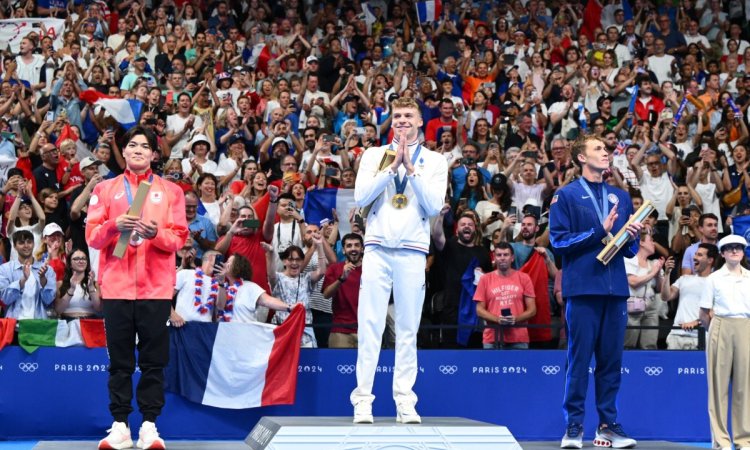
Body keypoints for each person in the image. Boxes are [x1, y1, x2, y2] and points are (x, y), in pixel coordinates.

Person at [86, 126, 189, 450]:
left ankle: (148, 426)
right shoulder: (105, 189)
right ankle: (119, 426)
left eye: (145, 146)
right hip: (116, 286)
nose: (139, 150)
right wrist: (113, 226)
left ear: (154, 154)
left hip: (155, 288)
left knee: (153, 360)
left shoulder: (171, 191)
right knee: (119, 361)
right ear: (125, 152)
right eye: (132, 145)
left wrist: (154, 233)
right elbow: (92, 236)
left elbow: (179, 238)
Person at [350, 97, 448, 424]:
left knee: (408, 329)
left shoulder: (434, 161)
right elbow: (362, 197)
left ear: (420, 121)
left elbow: (434, 206)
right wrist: (392, 167)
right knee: (370, 327)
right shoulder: (374, 155)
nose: (402, 120)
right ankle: (363, 401)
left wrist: (410, 169)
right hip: (377, 247)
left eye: (409, 115)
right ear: (391, 121)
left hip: (412, 250)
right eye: (397, 116)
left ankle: (405, 401)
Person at [550, 135, 643, 449]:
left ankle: (607, 426)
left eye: (607, 149)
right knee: (579, 360)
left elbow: (628, 252)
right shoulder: (565, 196)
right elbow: (558, 242)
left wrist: (631, 236)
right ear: (580, 157)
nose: (606, 153)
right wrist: (598, 231)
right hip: (583, 288)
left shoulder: (621, 197)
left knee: (611, 362)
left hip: (615, 288)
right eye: (599, 149)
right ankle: (574, 427)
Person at [700, 235, 750, 450]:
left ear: (743, 251)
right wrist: (713, 330)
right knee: (718, 387)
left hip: (745, 326)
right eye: (729, 248)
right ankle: (721, 441)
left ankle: (743, 439)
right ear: (722, 253)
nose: (734, 251)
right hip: (720, 324)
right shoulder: (714, 278)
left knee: (744, 388)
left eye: (738, 247)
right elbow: (703, 312)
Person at [474, 242, 536, 349]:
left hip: (518, 338)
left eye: (506, 255)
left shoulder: (524, 278)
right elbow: (479, 310)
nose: (502, 258)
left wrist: (515, 319)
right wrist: (497, 319)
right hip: (492, 338)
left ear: (512, 258)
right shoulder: (485, 279)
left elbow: (532, 310)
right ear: (494, 257)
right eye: (499, 255)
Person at [661, 243, 716, 350]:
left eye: (699, 255)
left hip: (700, 336)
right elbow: (665, 297)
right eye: (695, 254)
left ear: (710, 260)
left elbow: (717, 311)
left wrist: (696, 322)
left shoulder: (716, 282)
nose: (694, 257)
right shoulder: (684, 279)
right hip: (676, 335)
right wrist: (667, 273)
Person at [0, 230, 56, 319]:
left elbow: (49, 301)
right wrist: (22, 281)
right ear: (14, 246)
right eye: (21, 243)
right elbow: (5, 299)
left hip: (38, 324)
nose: (26, 246)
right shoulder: (4, 269)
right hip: (14, 325)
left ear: (34, 244)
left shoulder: (47, 270)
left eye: (29, 242)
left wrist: (43, 281)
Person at [322, 233, 364, 348]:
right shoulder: (334, 269)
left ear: (362, 249)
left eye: (356, 245)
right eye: (349, 246)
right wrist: (341, 279)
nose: (353, 249)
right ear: (344, 250)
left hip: (366, 330)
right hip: (340, 331)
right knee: (336, 365)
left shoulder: (371, 269)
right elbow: (326, 294)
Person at [171, 250, 222, 326]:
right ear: (211, 258)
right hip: (182, 325)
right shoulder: (186, 273)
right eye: (220, 259)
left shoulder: (219, 284)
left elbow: (220, 308)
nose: (222, 263)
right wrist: (172, 314)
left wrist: (222, 283)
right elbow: (166, 296)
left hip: (205, 329)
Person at [55, 249, 101, 320]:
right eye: (76, 259)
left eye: (84, 258)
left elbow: (99, 308)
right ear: (70, 264)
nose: (81, 261)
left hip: (90, 324)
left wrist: (91, 287)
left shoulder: (94, 283)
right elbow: (58, 310)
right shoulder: (60, 284)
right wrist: (71, 289)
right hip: (68, 323)